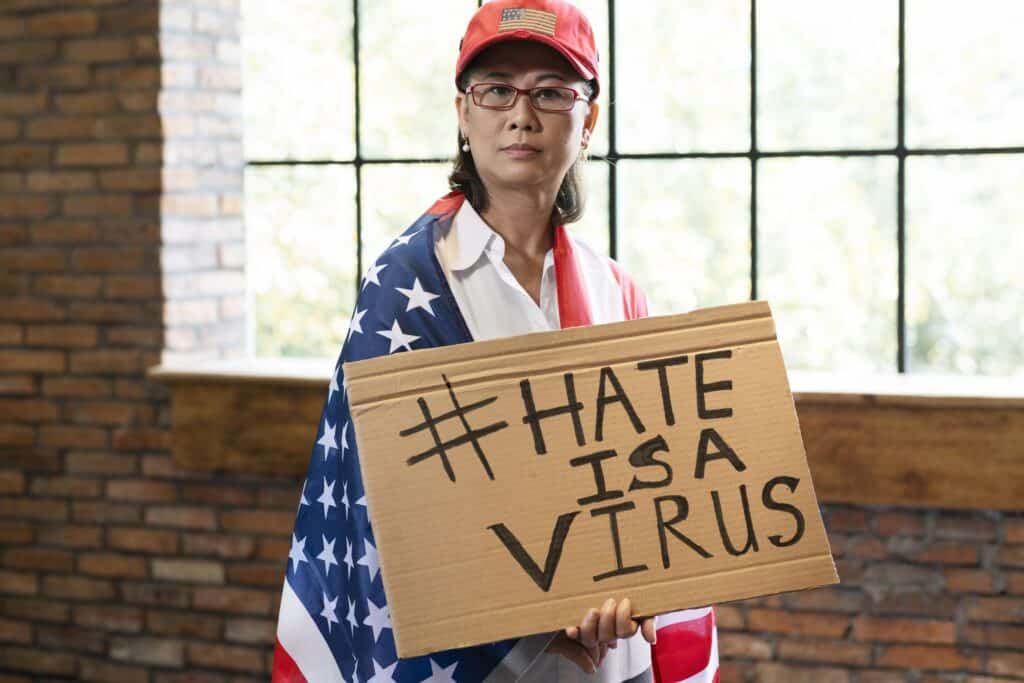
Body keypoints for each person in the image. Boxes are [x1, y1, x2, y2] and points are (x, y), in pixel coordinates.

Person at [273, 1, 719, 681]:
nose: (522, 113)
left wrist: (635, 593)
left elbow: (644, 491)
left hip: (603, 661)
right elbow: (388, 507)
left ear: (589, 118)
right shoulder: (410, 281)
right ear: (463, 112)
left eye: (550, 91)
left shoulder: (617, 290)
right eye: (496, 89)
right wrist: (547, 618)